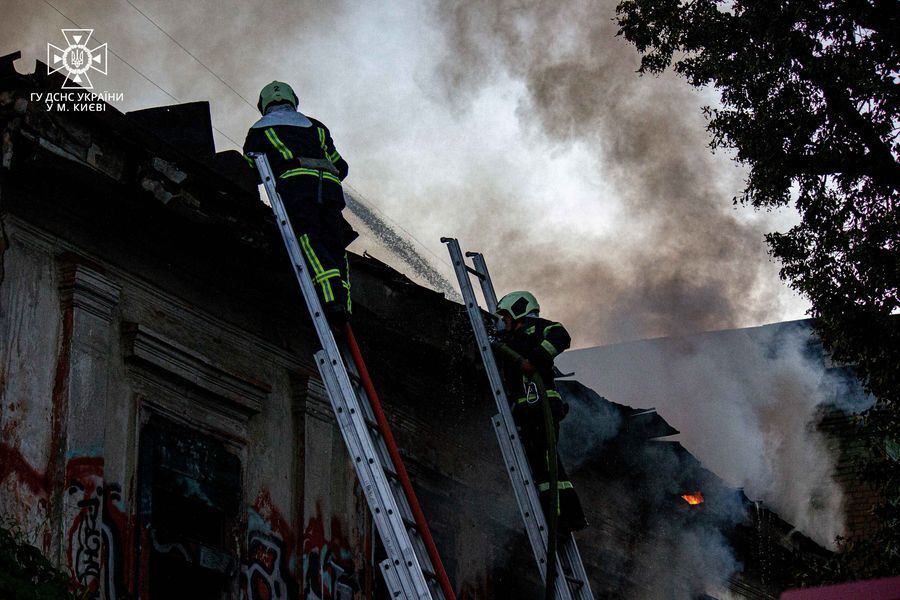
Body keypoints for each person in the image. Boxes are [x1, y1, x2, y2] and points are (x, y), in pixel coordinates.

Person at [243, 81, 357, 324]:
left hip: (297, 190)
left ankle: (330, 300)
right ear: (293, 99)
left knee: (308, 237)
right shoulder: (315, 126)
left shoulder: (259, 130)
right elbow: (341, 166)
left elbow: (250, 171)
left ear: (263, 104)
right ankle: (344, 305)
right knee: (335, 243)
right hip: (329, 190)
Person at [492, 291, 587, 534]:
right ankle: (560, 515)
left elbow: (561, 335)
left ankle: (562, 517)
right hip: (526, 410)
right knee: (541, 462)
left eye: (505, 315)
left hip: (541, 405)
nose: (503, 320)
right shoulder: (509, 339)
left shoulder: (536, 328)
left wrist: (534, 360)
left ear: (518, 310)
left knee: (546, 462)